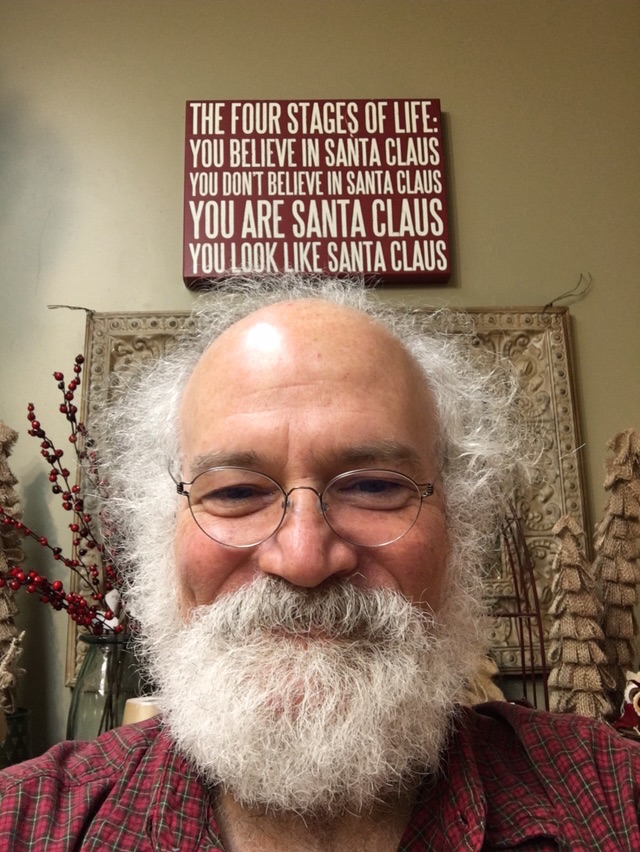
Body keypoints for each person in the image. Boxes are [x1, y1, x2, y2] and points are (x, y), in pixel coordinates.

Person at [1, 273, 639, 851]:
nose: (304, 557)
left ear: (460, 526)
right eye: (235, 493)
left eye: (375, 487)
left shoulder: (616, 803)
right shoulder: (22, 824)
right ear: (160, 534)